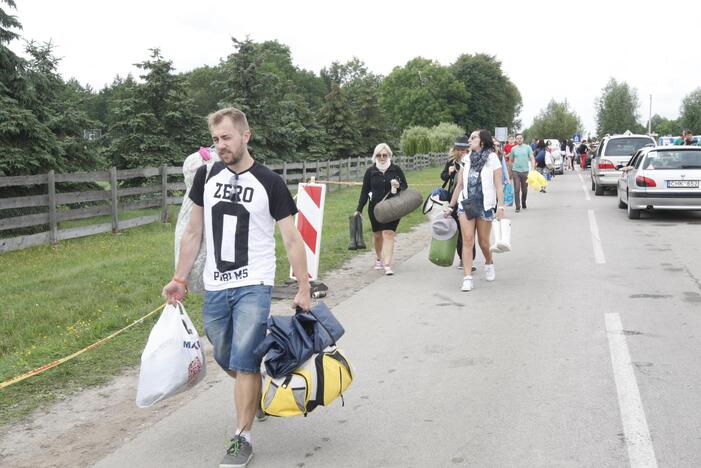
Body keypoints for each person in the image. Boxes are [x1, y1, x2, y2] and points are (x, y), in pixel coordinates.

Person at [162, 107, 311, 468]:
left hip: (254, 284)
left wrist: (303, 287)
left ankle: (242, 437)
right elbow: (193, 231)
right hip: (216, 284)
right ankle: (254, 387)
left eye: (226, 138)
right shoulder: (206, 176)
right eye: (215, 140)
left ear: (246, 136)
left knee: (244, 358)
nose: (220, 146)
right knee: (225, 352)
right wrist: (180, 278)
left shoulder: (270, 182)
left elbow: (292, 239)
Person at [445, 129, 505, 292]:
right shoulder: (466, 159)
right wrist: (451, 206)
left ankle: (489, 262)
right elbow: (460, 185)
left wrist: (500, 206)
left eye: (473, 138)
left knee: (484, 242)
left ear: (482, 141)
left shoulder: (492, 158)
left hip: (485, 205)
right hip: (466, 204)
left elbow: (499, 185)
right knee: (468, 240)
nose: (469, 140)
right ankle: (467, 278)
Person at [355, 143, 408, 276]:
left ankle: (387, 264)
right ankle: (379, 258)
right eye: (379, 155)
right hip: (375, 208)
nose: (382, 157)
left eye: (385, 155)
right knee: (378, 235)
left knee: (388, 233)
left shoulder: (396, 170)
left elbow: (405, 186)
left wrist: (398, 184)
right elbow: (364, 192)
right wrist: (359, 209)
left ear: (389, 155)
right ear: (375, 156)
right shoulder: (370, 172)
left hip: (392, 207)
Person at [440, 136, 469, 268]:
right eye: (458, 149)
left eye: (463, 149)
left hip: (468, 198)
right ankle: (462, 258)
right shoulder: (451, 162)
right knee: (456, 230)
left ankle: (469, 259)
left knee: (467, 232)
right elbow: (443, 177)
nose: (461, 152)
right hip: (454, 198)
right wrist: (449, 172)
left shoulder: (471, 161)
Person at [509, 133, 536, 213]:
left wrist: (533, 167)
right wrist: (510, 171)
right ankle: (517, 206)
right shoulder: (513, 149)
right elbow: (511, 160)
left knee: (524, 189)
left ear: (523, 139)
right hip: (516, 171)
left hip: (525, 171)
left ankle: (523, 201)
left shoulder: (528, 147)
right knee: (516, 189)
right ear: (515, 140)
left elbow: (532, 158)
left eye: (520, 138)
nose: (519, 140)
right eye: (517, 138)